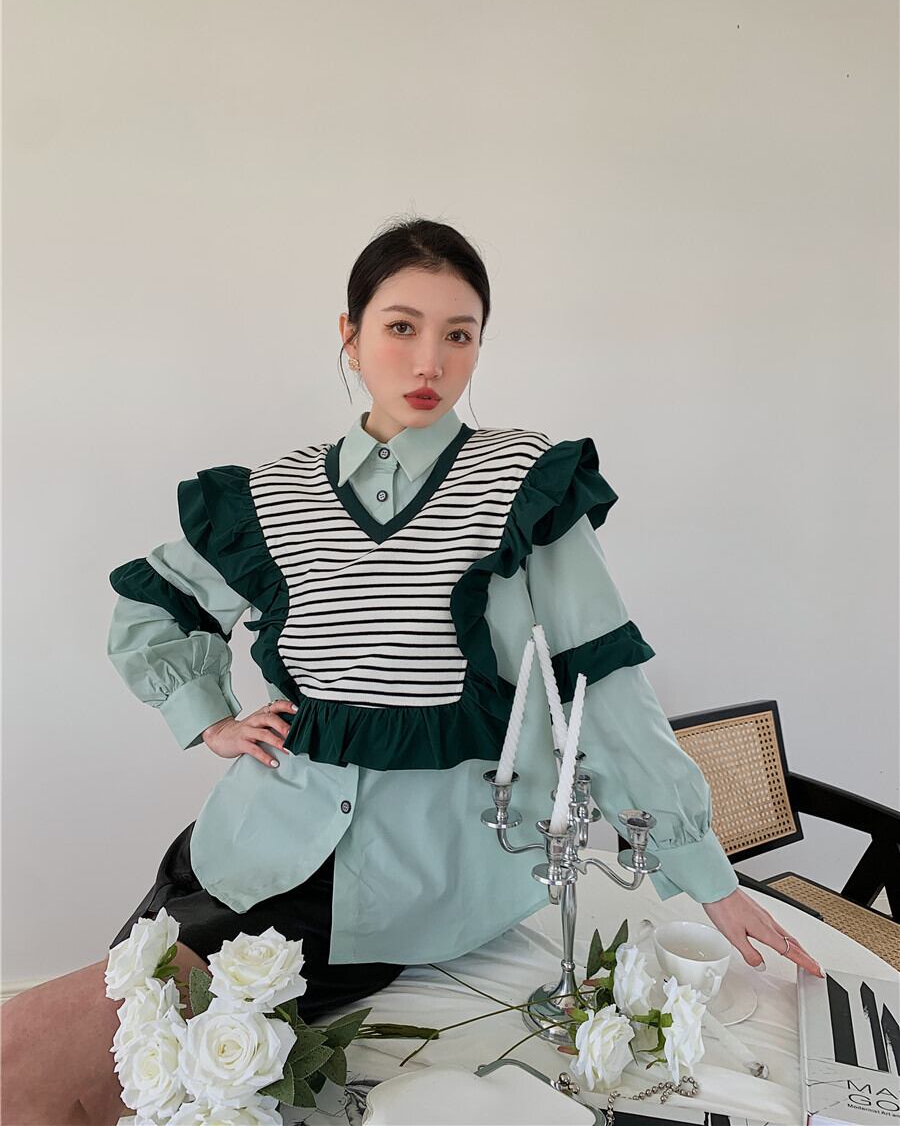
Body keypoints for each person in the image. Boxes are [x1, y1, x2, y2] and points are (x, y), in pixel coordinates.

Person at [1, 217, 823, 1124]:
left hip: (397, 891)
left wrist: (705, 873)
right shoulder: (272, 497)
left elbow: (606, 684)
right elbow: (154, 605)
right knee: (53, 1061)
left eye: (458, 334)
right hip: (243, 846)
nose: (430, 361)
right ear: (349, 336)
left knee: (77, 1073)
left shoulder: (523, 487)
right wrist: (209, 718)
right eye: (401, 327)